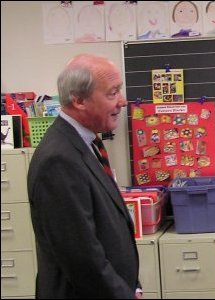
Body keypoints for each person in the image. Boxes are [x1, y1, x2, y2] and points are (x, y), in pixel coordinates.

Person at [28, 54, 142, 299]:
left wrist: (133, 284)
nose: (122, 101)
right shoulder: (58, 160)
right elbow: (82, 257)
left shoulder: (88, 143)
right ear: (79, 100)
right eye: (112, 93)